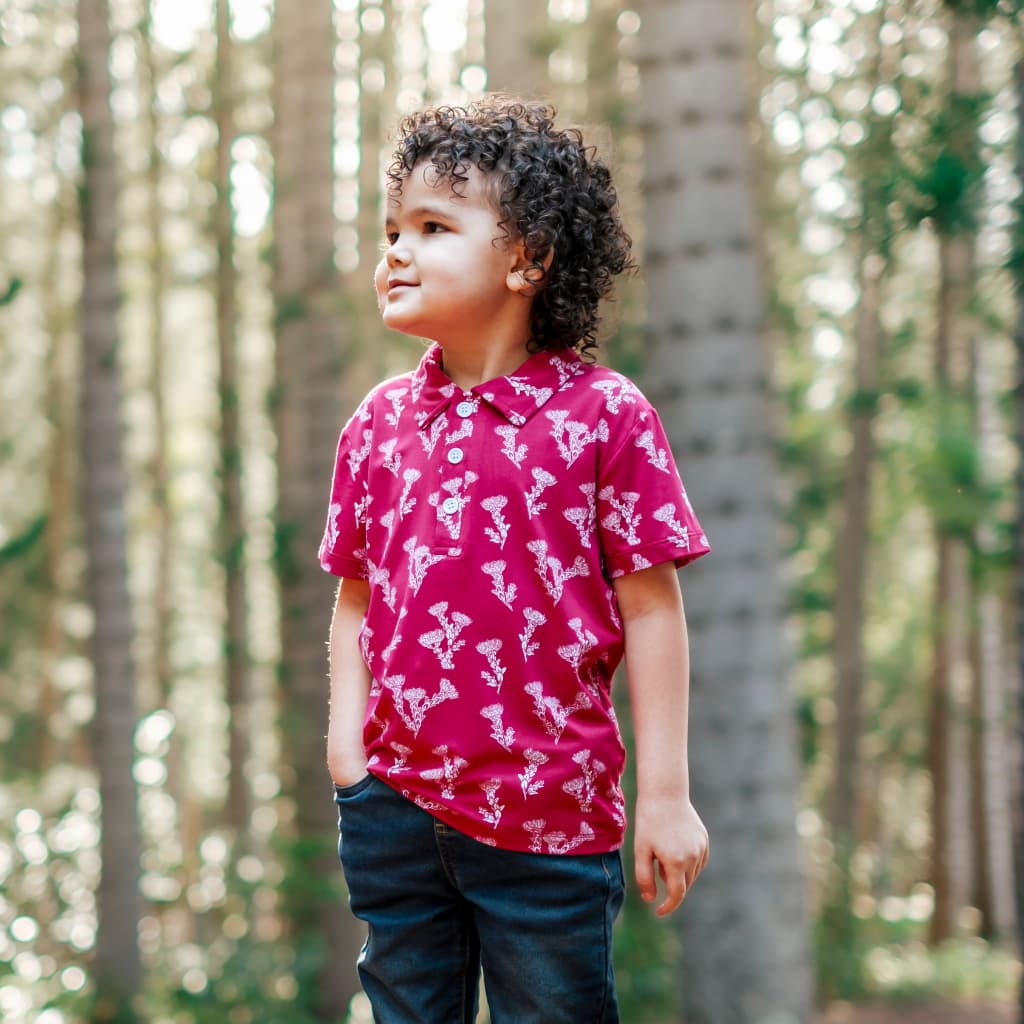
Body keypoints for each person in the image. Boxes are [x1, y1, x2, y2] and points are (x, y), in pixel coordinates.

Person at [318, 95, 711, 1024]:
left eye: (432, 226)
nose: (396, 251)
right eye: (392, 229)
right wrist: (348, 747)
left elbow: (653, 610)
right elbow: (353, 597)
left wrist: (664, 797)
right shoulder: (375, 427)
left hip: (548, 822)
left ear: (527, 257)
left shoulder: (607, 416)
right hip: (394, 810)